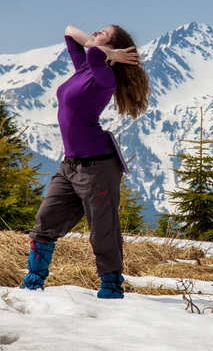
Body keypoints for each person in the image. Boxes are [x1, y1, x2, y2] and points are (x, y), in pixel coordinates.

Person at [20, 24, 150, 299]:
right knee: (44, 223)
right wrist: (107, 47)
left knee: (103, 230)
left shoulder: (104, 76)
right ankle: (32, 284)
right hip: (70, 165)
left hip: (99, 167)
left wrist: (107, 52)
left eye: (102, 31)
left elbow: (94, 56)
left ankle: (111, 286)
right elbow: (69, 32)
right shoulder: (84, 69)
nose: (94, 32)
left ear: (112, 48)